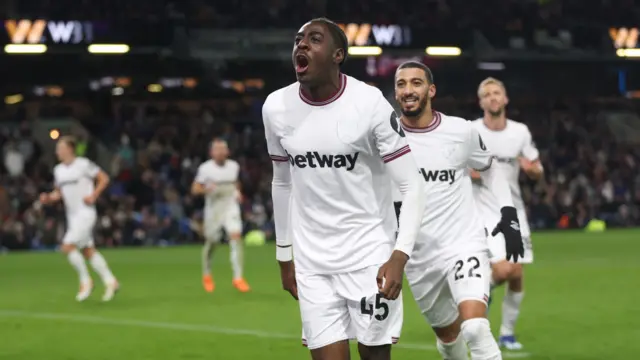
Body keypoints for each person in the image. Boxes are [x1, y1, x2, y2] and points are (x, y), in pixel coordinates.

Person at [263, 17, 426, 360]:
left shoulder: (369, 105)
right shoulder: (276, 108)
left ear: (338, 55)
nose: (302, 44)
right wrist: (284, 256)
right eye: (298, 39)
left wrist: (399, 256)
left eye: (314, 39)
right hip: (312, 263)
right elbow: (282, 181)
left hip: (369, 257)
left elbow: (412, 185)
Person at [392, 62, 524, 360]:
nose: (408, 90)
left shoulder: (460, 131)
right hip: (416, 257)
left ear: (431, 90)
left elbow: (490, 170)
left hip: (462, 244)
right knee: (449, 339)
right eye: (401, 84)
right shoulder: (386, 138)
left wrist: (508, 215)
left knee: (476, 328)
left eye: (416, 83)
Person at [470, 77, 543, 351]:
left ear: (505, 98)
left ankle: (507, 334)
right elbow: (454, 164)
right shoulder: (471, 131)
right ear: (481, 102)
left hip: (513, 210)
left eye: (497, 93)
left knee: (516, 275)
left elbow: (537, 168)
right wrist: (468, 170)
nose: (492, 97)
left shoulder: (520, 132)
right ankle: (470, 299)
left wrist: (533, 170)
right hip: (481, 212)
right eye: (487, 94)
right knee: (505, 268)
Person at [39, 136, 119, 302]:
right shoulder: (58, 170)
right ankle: (111, 281)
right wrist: (48, 198)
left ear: (70, 149)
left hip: (85, 212)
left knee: (67, 246)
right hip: (72, 216)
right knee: (88, 251)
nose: (57, 152)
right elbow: (58, 193)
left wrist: (93, 195)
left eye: (60, 148)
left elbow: (104, 178)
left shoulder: (83, 164)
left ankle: (86, 281)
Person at [191, 138, 250, 293]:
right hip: (213, 209)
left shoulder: (233, 166)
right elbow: (195, 188)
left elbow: (235, 183)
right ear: (211, 152)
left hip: (230, 206)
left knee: (236, 237)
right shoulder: (205, 169)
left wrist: (238, 192)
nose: (221, 152)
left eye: (223, 148)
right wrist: (206, 189)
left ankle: (238, 278)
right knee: (212, 241)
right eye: (217, 149)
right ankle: (207, 274)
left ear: (228, 151)